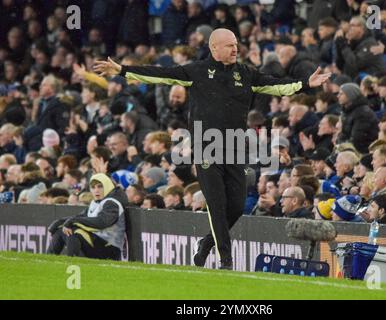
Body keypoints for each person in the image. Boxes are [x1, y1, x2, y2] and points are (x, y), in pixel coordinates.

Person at [94, 28, 330, 270]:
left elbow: (277, 85)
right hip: (207, 147)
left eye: (236, 44)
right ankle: (226, 262)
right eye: (229, 45)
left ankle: (207, 243)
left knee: (236, 206)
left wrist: (305, 83)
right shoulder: (196, 71)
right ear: (214, 48)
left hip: (235, 148)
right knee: (217, 204)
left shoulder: (246, 73)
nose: (235, 49)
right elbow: (160, 74)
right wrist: (123, 70)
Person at [47, 173, 128, 260]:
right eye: (93, 187)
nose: (96, 190)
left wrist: (72, 222)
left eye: (100, 186)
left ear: (107, 186)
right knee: (61, 230)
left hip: (110, 248)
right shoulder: (96, 202)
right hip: (98, 243)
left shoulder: (112, 203)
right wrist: (59, 223)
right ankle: (48, 261)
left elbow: (102, 222)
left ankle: (72, 264)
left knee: (73, 232)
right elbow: (81, 216)